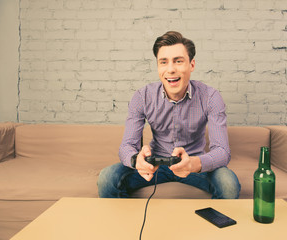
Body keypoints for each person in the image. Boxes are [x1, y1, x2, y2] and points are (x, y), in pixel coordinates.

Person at [97, 31, 240, 199]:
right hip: (156, 165)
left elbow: (222, 151)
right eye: (163, 62)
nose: (171, 69)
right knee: (107, 178)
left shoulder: (211, 97)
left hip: (193, 164)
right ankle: (126, 223)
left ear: (191, 65)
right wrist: (137, 161)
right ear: (158, 66)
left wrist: (193, 164)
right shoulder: (142, 96)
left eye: (178, 61)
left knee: (228, 183)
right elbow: (126, 146)